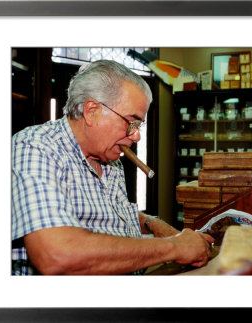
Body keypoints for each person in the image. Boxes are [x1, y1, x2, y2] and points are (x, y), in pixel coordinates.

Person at [12, 60, 214, 275]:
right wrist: (177, 247)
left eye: (139, 126)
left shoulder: (111, 161)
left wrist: (155, 225)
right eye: (131, 123)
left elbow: (114, 213)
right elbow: (57, 255)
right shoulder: (36, 147)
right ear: (92, 111)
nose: (136, 135)